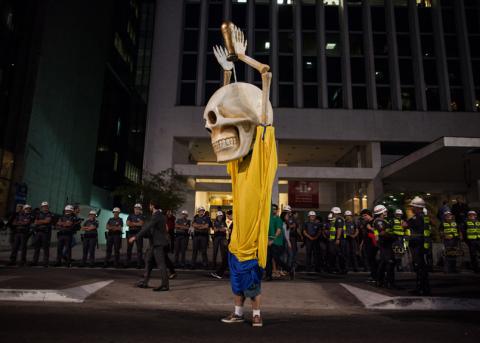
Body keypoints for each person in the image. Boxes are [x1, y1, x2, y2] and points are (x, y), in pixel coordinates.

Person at [131, 201, 170, 291]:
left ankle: (165, 285)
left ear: (152, 206)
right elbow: (152, 230)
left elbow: (147, 227)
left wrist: (135, 237)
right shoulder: (158, 215)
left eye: (150, 205)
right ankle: (145, 282)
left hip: (158, 244)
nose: (149, 207)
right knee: (148, 260)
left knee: (161, 264)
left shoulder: (157, 215)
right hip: (154, 243)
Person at [407, 196, 430, 295]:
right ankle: (423, 288)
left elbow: (405, 225)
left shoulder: (417, 218)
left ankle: (421, 289)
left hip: (417, 245)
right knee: (421, 268)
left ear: (418, 207)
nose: (411, 208)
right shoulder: (424, 218)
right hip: (421, 245)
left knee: (419, 267)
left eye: (413, 206)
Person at [265, 204, 293, 281]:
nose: (273, 210)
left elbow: (278, 231)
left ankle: (289, 269)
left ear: (277, 210)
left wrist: (272, 240)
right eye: (272, 209)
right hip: (269, 242)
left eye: (275, 209)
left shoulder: (278, 219)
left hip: (277, 242)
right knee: (268, 259)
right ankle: (268, 276)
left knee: (277, 259)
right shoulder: (268, 219)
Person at [374, 205, 395, 288]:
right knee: (389, 263)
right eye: (385, 211)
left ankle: (380, 281)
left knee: (383, 263)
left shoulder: (383, 221)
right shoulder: (379, 221)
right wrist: (393, 235)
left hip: (385, 245)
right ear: (381, 212)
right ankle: (389, 283)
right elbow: (382, 233)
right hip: (385, 245)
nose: (386, 212)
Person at [211, 210, 233, 279]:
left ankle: (220, 273)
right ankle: (219, 273)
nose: (227, 217)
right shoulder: (216, 222)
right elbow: (216, 229)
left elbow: (227, 230)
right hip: (229, 242)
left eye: (228, 216)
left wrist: (224, 230)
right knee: (225, 258)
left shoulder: (233, 223)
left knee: (226, 258)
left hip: (233, 243)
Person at [30, 201, 53, 267]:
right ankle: (34, 261)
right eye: (44, 206)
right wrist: (42, 221)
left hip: (46, 233)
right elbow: (35, 222)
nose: (45, 208)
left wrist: (39, 221)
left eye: (46, 206)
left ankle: (45, 263)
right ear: (41, 207)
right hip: (38, 232)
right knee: (36, 248)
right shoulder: (38, 214)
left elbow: (47, 221)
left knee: (45, 248)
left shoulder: (49, 214)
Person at [126, 204, 145, 268]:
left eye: (138, 208)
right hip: (131, 233)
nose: (137, 209)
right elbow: (127, 223)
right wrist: (136, 224)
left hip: (138, 234)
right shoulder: (130, 215)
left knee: (139, 249)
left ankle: (139, 264)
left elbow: (141, 224)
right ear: (134, 209)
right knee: (129, 249)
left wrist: (132, 223)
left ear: (140, 209)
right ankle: (128, 263)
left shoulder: (141, 216)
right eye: (136, 208)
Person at [360, 208, 377, 282]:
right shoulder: (366, 224)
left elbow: (379, 232)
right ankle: (373, 275)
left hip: (374, 244)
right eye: (363, 216)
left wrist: (371, 228)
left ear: (370, 215)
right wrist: (361, 244)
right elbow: (365, 235)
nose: (364, 217)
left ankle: (376, 276)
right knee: (370, 260)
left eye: (365, 215)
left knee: (374, 260)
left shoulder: (375, 222)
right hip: (367, 244)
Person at [283, 206, 298, 272]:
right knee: (285, 254)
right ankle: (285, 268)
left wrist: (290, 226)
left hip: (291, 238)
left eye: (288, 211)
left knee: (291, 254)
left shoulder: (292, 218)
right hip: (285, 238)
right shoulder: (283, 218)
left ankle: (288, 267)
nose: (289, 212)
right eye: (287, 211)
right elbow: (286, 228)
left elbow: (294, 226)